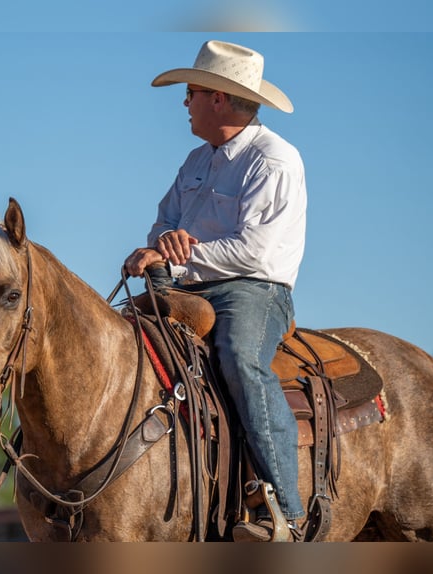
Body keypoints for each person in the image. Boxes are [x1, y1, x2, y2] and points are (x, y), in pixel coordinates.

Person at [124, 40, 307, 542]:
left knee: (240, 359)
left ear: (219, 100)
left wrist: (182, 252)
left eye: (191, 93)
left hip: (254, 289)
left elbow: (253, 250)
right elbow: (164, 224)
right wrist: (160, 246)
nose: (185, 103)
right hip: (191, 286)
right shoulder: (194, 162)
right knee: (118, 340)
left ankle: (285, 515)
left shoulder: (274, 160)